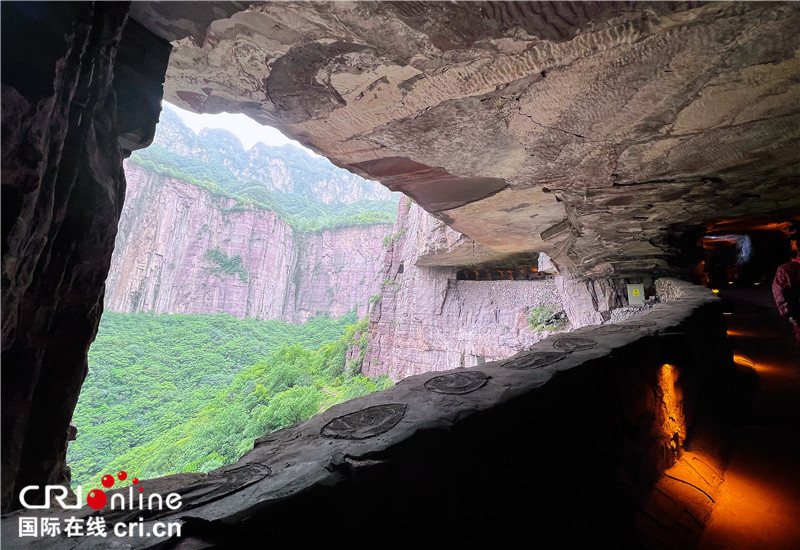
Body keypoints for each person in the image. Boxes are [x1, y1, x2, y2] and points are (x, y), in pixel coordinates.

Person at [772, 242, 800, 345]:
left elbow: (780, 292)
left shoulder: (786, 270)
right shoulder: (787, 270)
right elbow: (781, 292)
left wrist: (790, 314)